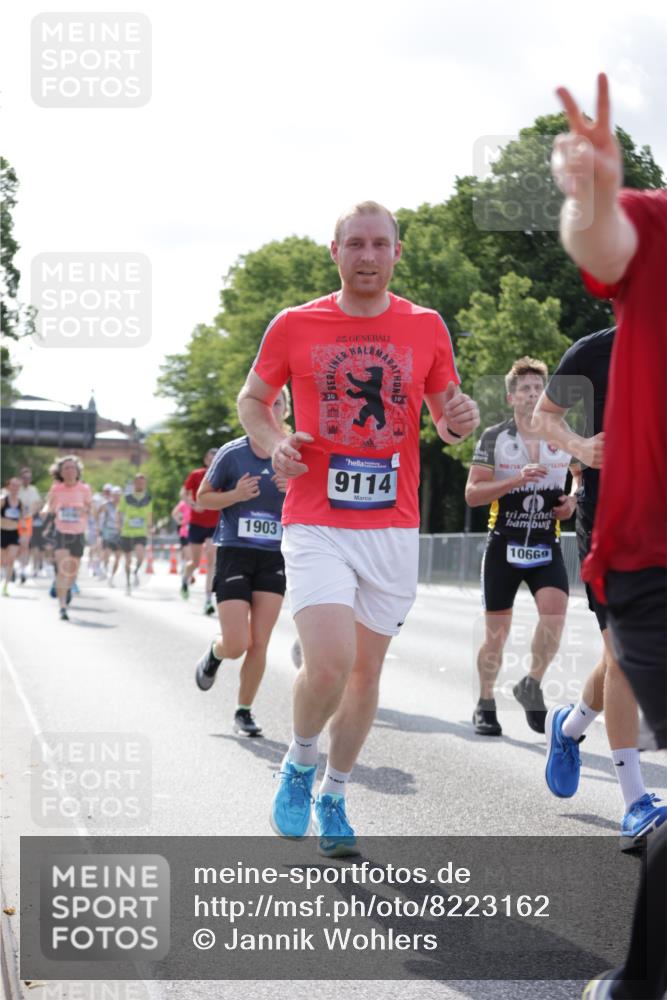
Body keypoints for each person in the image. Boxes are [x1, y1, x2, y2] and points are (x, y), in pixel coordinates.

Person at [237, 200, 479, 856]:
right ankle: (298, 762)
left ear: (396, 252)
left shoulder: (426, 326)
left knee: (365, 677)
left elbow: (447, 420)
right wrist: (276, 442)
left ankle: (335, 793)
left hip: (392, 526)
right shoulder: (294, 324)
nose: (367, 255)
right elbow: (252, 400)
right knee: (329, 665)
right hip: (315, 519)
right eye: (355, 244)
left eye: (379, 244)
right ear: (335, 250)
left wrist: (462, 414)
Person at [551, 73, 666, 1000]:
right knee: (615, 655)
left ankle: (577, 723)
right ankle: (627, 784)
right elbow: (604, 236)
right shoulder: (649, 242)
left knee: (610, 665)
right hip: (641, 542)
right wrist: (589, 194)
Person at [532, 328, 667, 851]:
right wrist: (580, 446)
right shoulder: (595, 350)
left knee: (623, 657)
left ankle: (569, 727)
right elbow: (544, 417)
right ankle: (636, 801)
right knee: (626, 652)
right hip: (612, 521)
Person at [465, 357, 577, 737]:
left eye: (538, 388)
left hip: (546, 540)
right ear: (511, 397)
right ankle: (484, 701)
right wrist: (514, 482)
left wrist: (573, 501)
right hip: (504, 544)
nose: (532, 394)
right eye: (525, 389)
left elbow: (582, 476)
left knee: (555, 612)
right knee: (496, 634)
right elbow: (472, 494)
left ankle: (531, 683)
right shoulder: (494, 438)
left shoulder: (564, 434)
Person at [193, 390, 290, 737]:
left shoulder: (295, 451)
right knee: (237, 642)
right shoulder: (233, 453)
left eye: (278, 402)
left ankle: (243, 711)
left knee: (260, 641)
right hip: (235, 549)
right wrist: (235, 495)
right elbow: (202, 499)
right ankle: (216, 654)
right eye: (265, 402)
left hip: (274, 555)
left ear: (286, 409)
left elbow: (320, 500)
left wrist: (294, 486)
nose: (271, 407)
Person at [45, 456, 92, 621]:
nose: (70, 470)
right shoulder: (56, 489)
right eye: (66, 468)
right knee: (63, 569)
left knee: (72, 572)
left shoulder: (85, 489)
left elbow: (90, 507)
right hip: (61, 532)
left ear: (77, 471)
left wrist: (82, 510)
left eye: (73, 467)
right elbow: (49, 506)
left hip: (78, 533)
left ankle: (66, 588)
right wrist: (46, 511)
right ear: (61, 472)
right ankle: (63, 606)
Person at [181, 448, 219, 614]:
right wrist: (193, 504)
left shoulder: (223, 475)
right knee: (195, 562)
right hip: (197, 523)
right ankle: (185, 578)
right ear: (205, 460)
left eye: (216, 458)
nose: (213, 461)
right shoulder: (196, 474)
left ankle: (208, 600)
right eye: (210, 458)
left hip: (215, 524)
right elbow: (183, 493)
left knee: (212, 561)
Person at [117, 474, 153, 595]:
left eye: (142, 483)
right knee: (127, 560)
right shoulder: (126, 498)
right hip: (126, 532)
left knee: (140, 556)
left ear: (145, 484)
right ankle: (128, 584)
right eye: (138, 483)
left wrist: (150, 527)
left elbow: (149, 515)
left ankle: (136, 571)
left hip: (140, 532)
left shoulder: (148, 498)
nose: (140, 485)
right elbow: (119, 512)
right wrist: (118, 525)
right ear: (134, 483)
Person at [1, 477, 25, 596]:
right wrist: (5, 520)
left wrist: (23, 535)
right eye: (13, 485)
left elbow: (22, 520)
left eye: (17, 486)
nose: (15, 488)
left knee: (10, 560)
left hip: (14, 534)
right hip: (2, 533)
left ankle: (5, 586)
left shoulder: (20, 503)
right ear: (8, 486)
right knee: (1, 560)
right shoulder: (2, 501)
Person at [17, 467, 41, 583]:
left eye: (29, 478)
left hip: (27, 520)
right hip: (13, 520)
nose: (27, 480)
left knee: (25, 545)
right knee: (12, 546)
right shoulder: (15, 488)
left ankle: (22, 569)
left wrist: (30, 514)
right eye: (24, 478)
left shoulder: (33, 490)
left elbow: (37, 504)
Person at [99, 485, 122, 584]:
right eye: (114, 495)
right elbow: (98, 514)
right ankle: (105, 569)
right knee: (107, 554)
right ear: (111, 495)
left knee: (118, 557)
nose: (116, 497)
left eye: (118, 495)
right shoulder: (106, 505)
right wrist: (99, 527)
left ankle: (111, 577)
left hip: (120, 534)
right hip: (108, 532)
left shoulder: (124, 506)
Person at [171, 498, 192, 578]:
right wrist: (180, 522)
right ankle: (186, 572)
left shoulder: (196, 502)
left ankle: (184, 567)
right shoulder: (183, 503)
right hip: (184, 531)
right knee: (187, 553)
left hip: (194, 531)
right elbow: (174, 513)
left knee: (188, 553)